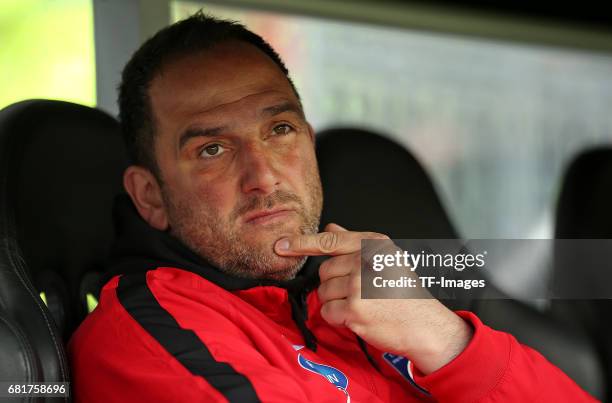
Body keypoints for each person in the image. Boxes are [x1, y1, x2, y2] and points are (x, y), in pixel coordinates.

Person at [68, 12, 596, 402]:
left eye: (279, 131)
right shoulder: (147, 340)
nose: (264, 176)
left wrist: (443, 337)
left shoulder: (352, 295)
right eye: (212, 149)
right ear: (150, 197)